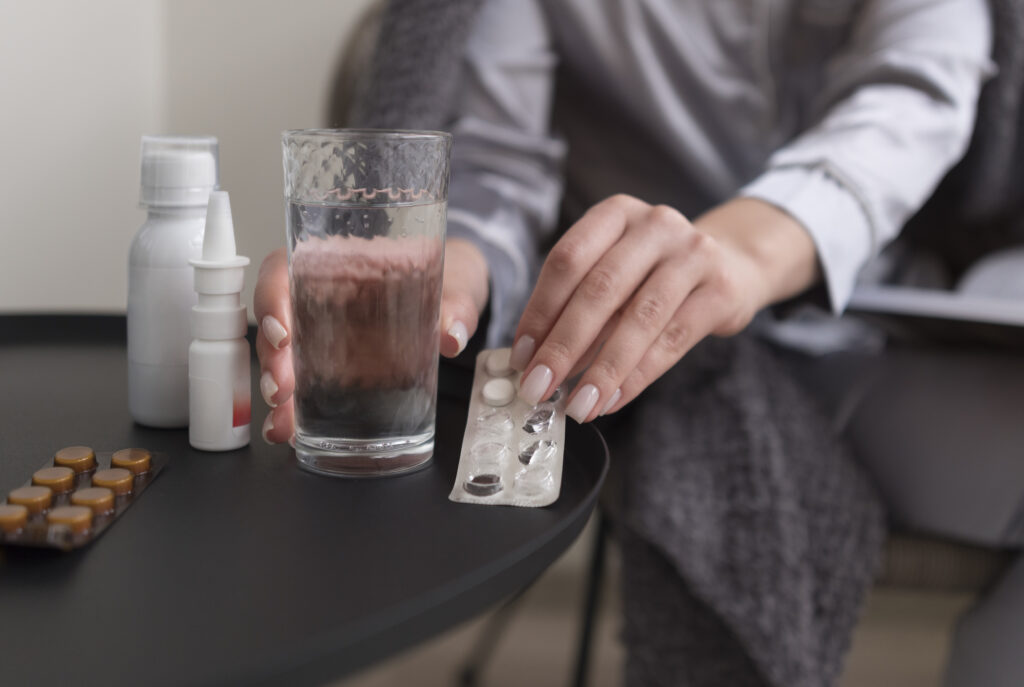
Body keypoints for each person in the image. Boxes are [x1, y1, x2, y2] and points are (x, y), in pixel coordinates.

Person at [254, 1, 1018, 685]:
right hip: (643, 361)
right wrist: (442, 271)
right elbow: (494, 172)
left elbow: (914, 97)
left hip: (892, 326)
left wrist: (737, 256)